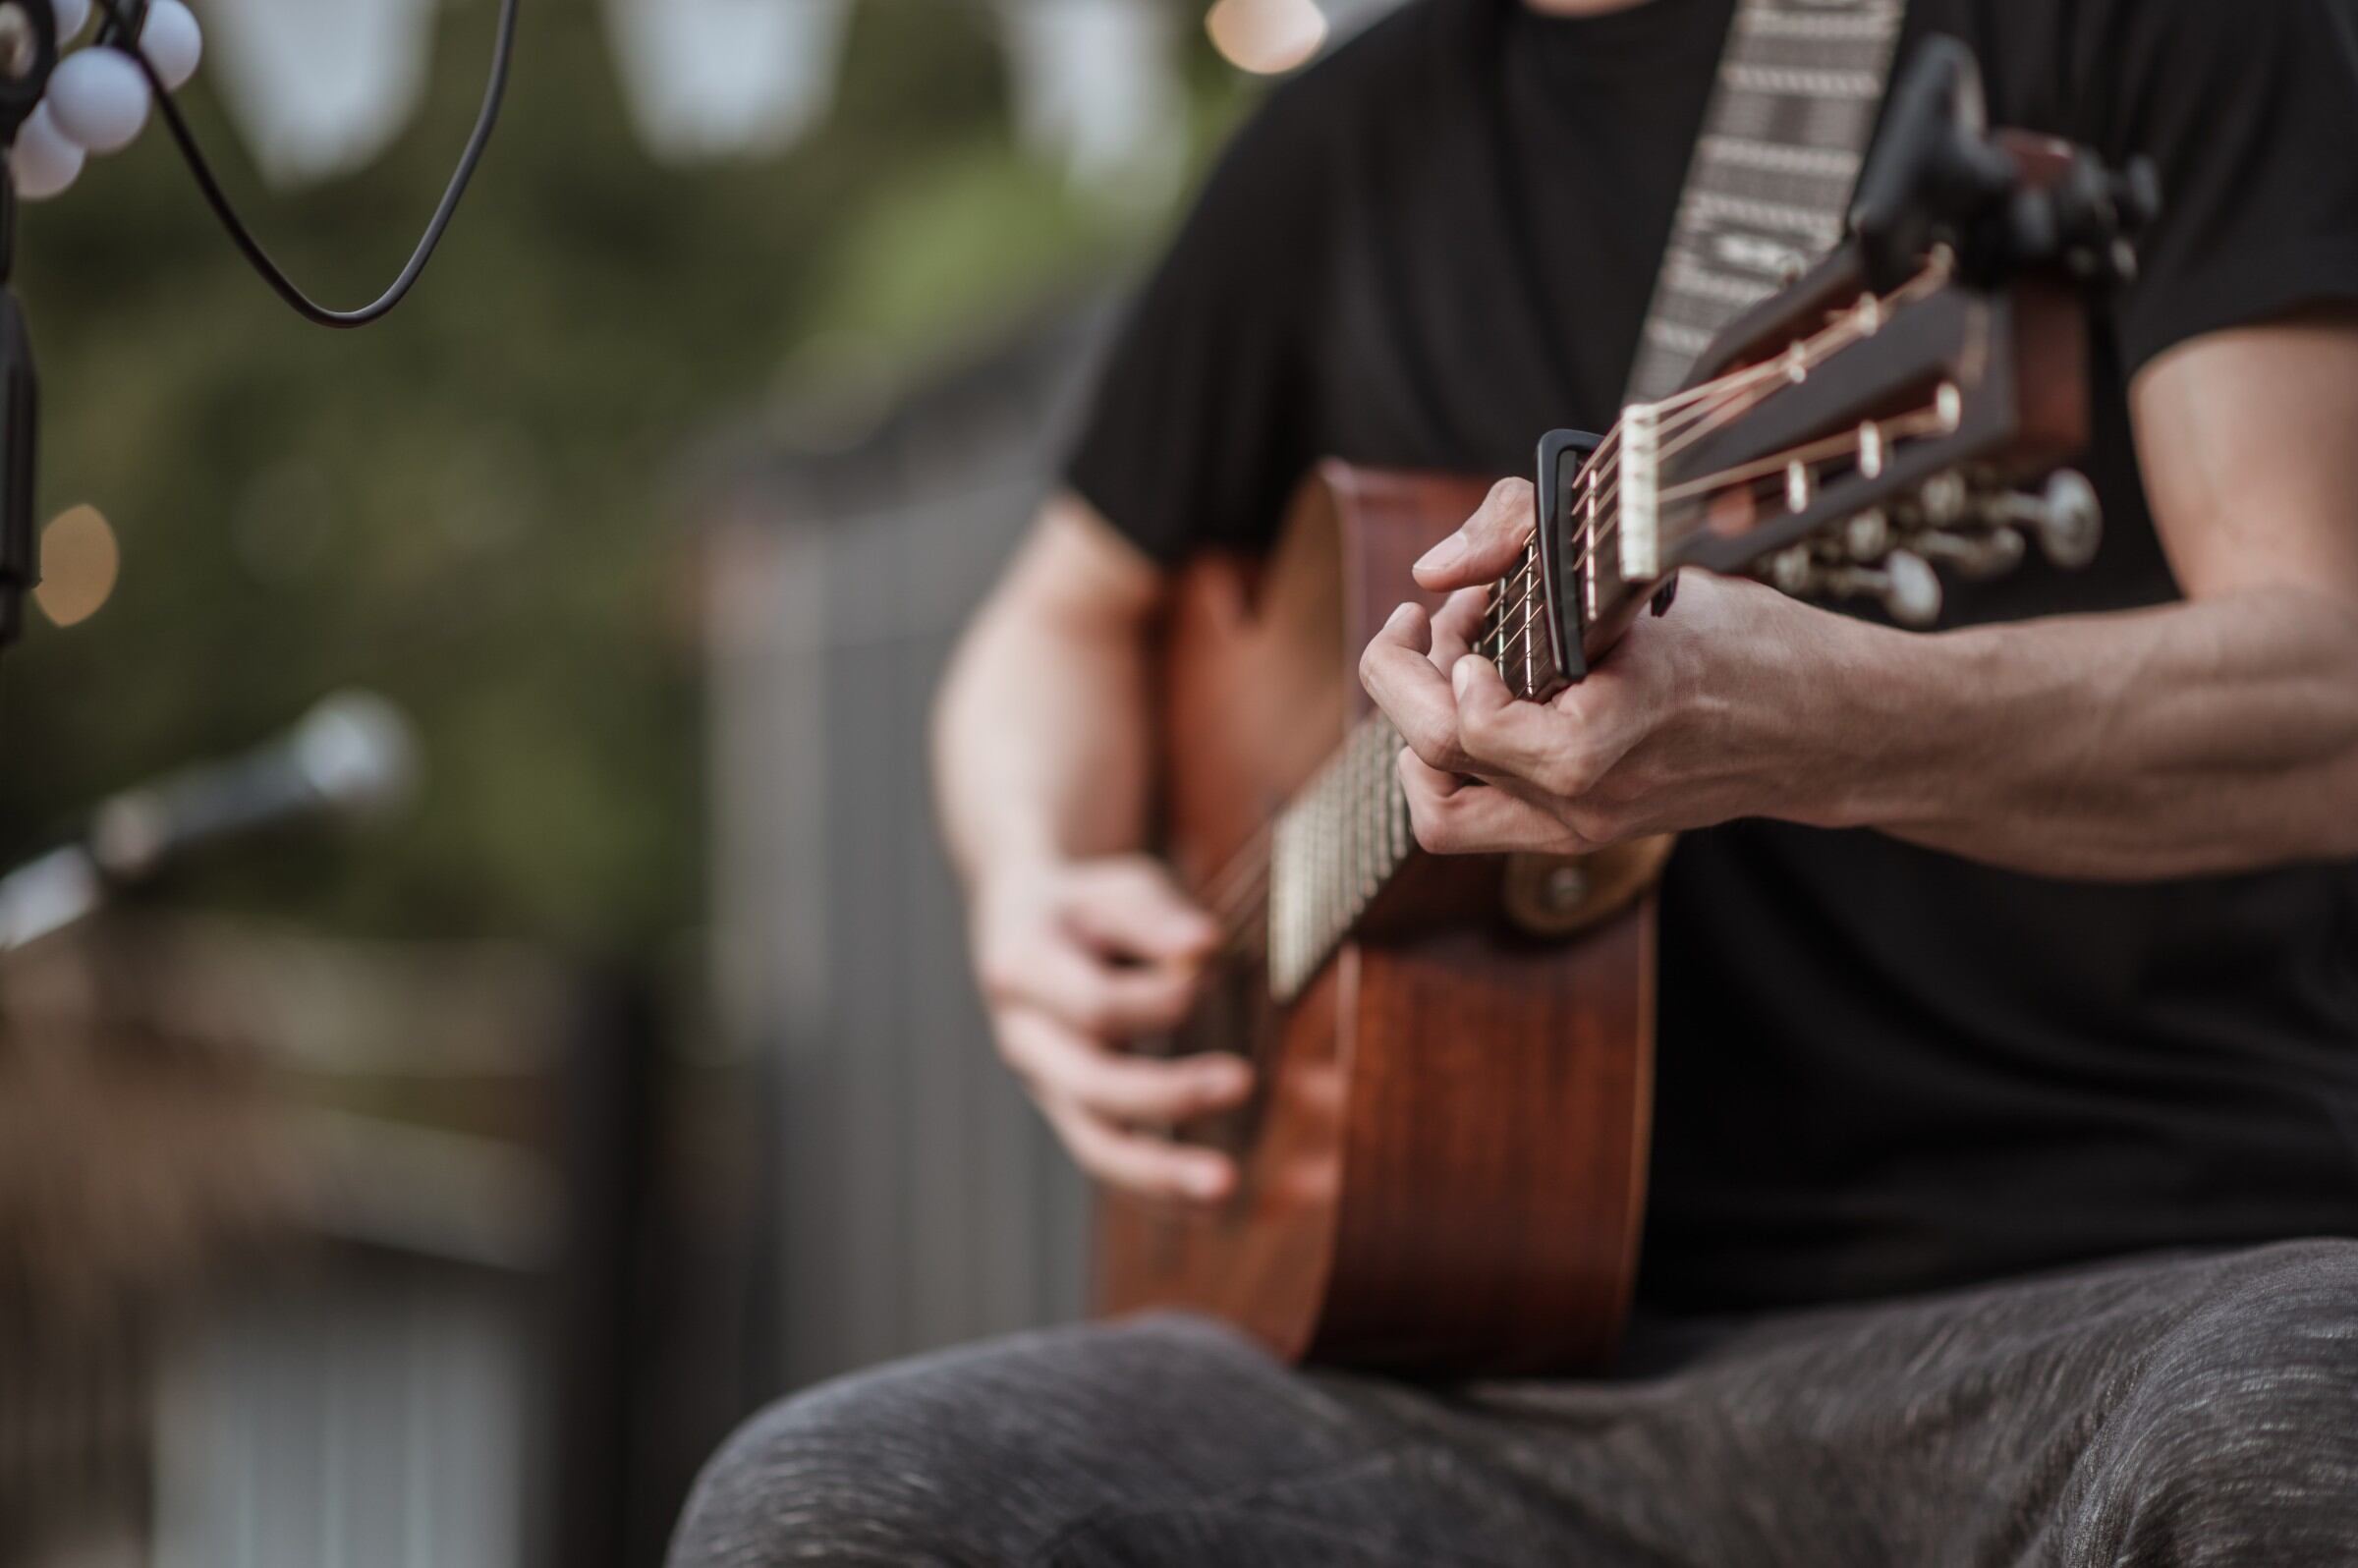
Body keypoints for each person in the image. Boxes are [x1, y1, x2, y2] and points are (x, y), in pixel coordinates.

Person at [672, 1, 2358, 1562]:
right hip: (1471, 1375)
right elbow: (1053, 623)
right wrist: (1032, 879)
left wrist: (1850, 726)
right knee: (837, 1503)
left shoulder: (2128, 24)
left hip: (2120, 1304)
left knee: (2306, 1409)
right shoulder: (1340, 146)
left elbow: (2335, 689)